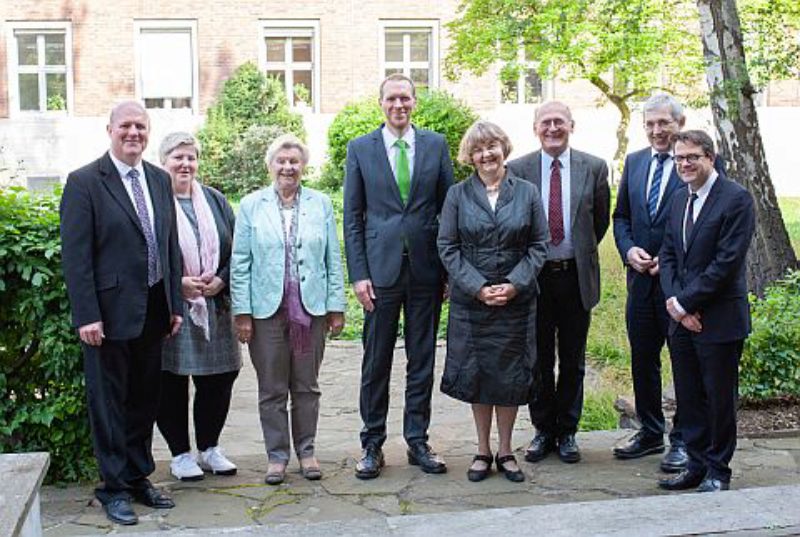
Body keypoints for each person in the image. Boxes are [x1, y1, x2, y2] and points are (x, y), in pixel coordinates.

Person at [59, 101, 182, 525]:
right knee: (110, 403)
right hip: (107, 316)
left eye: (141, 127)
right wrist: (86, 315)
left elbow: (168, 246)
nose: (134, 133)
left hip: (153, 309)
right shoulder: (85, 182)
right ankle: (112, 488)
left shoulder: (159, 180)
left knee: (145, 399)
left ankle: (137, 476)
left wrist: (175, 305)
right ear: (109, 129)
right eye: (126, 126)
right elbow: (76, 258)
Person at [343, 73, 455, 479]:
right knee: (376, 362)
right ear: (381, 103)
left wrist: (447, 270)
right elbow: (352, 218)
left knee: (421, 358)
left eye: (405, 98)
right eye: (391, 99)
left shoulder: (435, 145)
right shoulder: (361, 149)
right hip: (380, 272)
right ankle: (372, 443)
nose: (399, 105)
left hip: (425, 270)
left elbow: (449, 213)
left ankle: (417, 440)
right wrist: (358, 274)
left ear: (414, 102)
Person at [231, 134, 346, 485]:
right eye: (281, 161)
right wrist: (242, 312)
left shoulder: (320, 203)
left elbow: (331, 258)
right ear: (270, 165)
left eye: (294, 161)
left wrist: (335, 306)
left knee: (307, 386)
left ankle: (307, 452)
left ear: (303, 166)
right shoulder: (251, 205)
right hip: (266, 312)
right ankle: (276, 456)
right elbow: (240, 261)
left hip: (310, 312)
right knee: (271, 387)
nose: (288, 167)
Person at [437, 121, 548, 482]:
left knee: (511, 377)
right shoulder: (457, 194)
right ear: (470, 157)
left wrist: (515, 284)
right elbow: (447, 247)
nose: (486, 154)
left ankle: (506, 450)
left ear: (504, 148)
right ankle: (482, 450)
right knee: (477, 376)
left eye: (492, 146)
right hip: (473, 303)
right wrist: (477, 286)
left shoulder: (528, 192)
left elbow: (539, 245)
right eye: (478, 149)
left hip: (516, 302)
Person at [507, 101, 610, 464]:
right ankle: (542, 430)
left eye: (559, 122)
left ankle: (567, 431)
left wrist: (574, 253)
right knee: (537, 359)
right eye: (545, 122)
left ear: (572, 125)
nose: (553, 128)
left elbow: (599, 222)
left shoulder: (593, 167)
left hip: (575, 277)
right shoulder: (516, 170)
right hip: (534, 280)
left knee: (573, 359)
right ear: (535, 128)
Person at [657, 130, 754, 493]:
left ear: (710, 158)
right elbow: (668, 255)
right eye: (679, 158)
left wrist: (686, 303)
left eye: (692, 157)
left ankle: (718, 470)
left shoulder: (736, 199)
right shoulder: (679, 199)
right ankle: (695, 465)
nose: (684, 163)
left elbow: (726, 263)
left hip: (719, 319)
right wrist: (678, 308)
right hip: (682, 320)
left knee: (718, 398)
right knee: (690, 397)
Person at [155, 132, 241, 482]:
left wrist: (222, 278)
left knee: (221, 377)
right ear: (164, 162)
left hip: (215, 305)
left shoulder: (216, 201)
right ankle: (180, 454)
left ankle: (209, 448)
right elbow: (145, 253)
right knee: (171, 382)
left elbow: (238, 248)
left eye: (191, 157)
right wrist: (177, 284)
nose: (185, 164)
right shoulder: (154, 200)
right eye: (178, 157)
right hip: (174, 308)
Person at [611, 94, 689, 472]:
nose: (657, 131)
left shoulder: (696, 161)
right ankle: (650, 431)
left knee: (684, 361)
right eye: (651, 124)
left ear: (680, 122)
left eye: (664, 123)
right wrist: (628, 251)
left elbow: (705, 219)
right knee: (643, 358)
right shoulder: (636, 161)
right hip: (640, 282)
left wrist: (669, 259)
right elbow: (621, 216)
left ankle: (685, 439)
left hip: (679, 286)